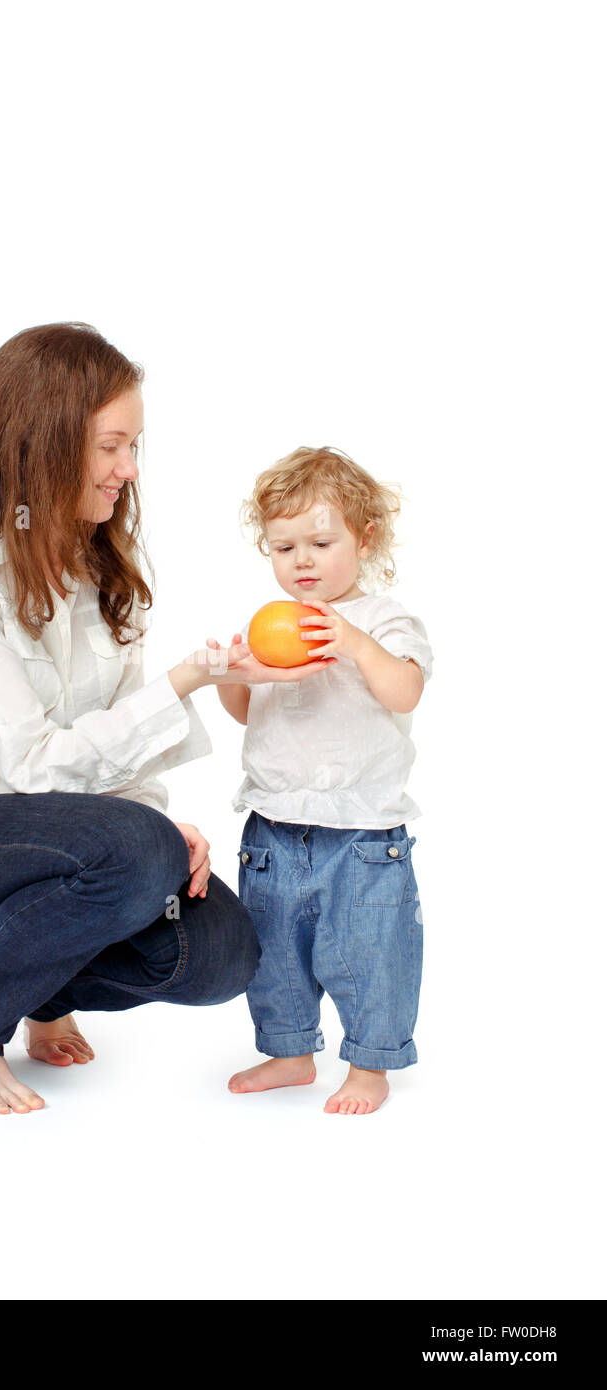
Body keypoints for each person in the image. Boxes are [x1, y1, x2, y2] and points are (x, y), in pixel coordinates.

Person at [0, 323, 327, 1114]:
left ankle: (39, 990)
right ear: (43, 441)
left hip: (65, 846)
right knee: (135, 848)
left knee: (220, 950)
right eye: (112, 446)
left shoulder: (105, 576)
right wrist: (186, 681)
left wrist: (156, 832)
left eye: (135, 446)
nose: (129, 470)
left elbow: (117, 755)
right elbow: (36, 766)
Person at [211, 446, 434, 1115]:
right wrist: (234, 675)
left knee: (372, 951)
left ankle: (371, 1063)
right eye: (283, 547)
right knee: (273, 950)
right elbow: (249, 712)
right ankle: (289, 1050)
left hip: (363, 834)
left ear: (365, 539)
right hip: (274, 826)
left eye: (319, 541)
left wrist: (356, 644)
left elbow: (405, 692)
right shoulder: (272, 626)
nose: (301, 560)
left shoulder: (384, 620)